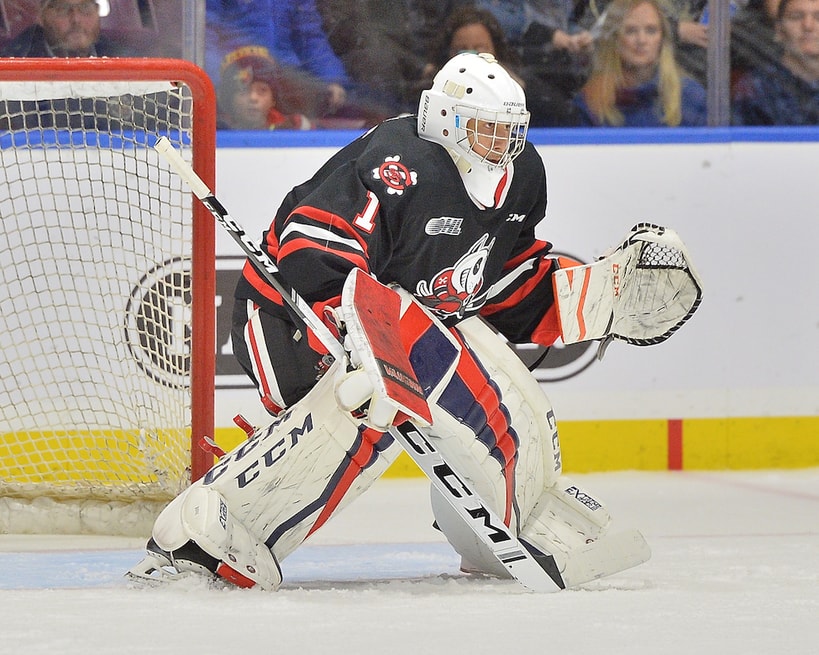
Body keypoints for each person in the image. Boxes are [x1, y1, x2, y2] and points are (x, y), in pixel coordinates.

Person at [129, 53, 698, 590]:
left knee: (508, 397)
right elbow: (311, 249)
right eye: (488, 130)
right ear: (448, 121)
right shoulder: (397, 161)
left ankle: (494, 530)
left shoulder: (521, 175)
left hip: (401, 319)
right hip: (288, 318)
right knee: (361, 406)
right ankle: (210, 531)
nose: (504, 145)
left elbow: (497, 281)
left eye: (511, 131)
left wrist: (600, 299)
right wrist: (355, 333)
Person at [421, 5, 581, 125]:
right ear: (448, 51)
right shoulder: (431, 89)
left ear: (495, 49)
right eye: (462, 50)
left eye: (480, 48)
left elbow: (567, 116)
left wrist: (518, 86)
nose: (472, 57)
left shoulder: (516, 80)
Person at [205, 0, 349, 119]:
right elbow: (206, 34)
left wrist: (331, 78)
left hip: (287, 78)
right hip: (240, 77)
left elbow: (309, 37)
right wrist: (216, 82)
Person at [573, 0, 707, 126]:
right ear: (614, 39)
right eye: (630, 31)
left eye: (651, 30)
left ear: (662, 39)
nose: (641, 40)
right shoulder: (589, 102)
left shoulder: (691, 98)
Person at [732, 0, 819, 124]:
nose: (808, 26)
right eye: (796, 17)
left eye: (818, 17)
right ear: (779, 30)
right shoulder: (755, 87)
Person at [217, 46, 313, 130]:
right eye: (243, 91)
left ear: (273, 100)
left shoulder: (293, 127)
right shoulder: (215, 129)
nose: (253, 98)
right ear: (229, 100)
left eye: (262, 91)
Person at [0, 0, 124, 58]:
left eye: (85, 8)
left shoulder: (123, 58)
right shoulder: (15, 63)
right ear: (41, 17)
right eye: (62, 9)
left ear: (97, 11)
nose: (76, 19)